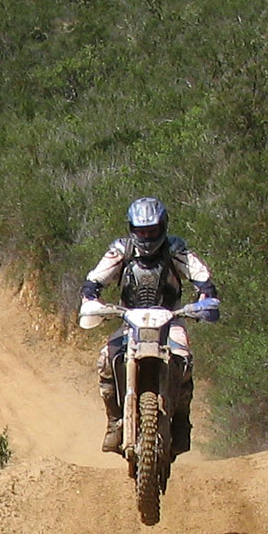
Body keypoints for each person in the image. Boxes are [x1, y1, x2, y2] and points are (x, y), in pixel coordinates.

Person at [79, 196, 219, 459]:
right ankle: (115, 420)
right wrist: (91, 295)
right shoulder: (121, 250)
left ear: (163, 227)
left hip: (170, 319)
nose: (147, 237)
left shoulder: (175, 249)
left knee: (184, 360)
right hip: (130, 321)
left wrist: (205, 294)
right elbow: (97, 276)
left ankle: (180, 423)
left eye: (152, 230)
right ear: (132, 229)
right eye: (141, 231)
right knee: (106, 360)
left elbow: (201, 275)